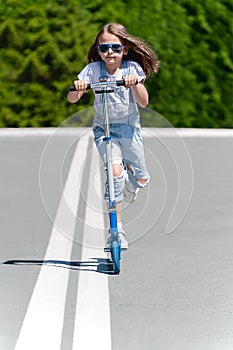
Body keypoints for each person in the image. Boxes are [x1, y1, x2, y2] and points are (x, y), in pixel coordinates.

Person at [68, 23, 160, 249]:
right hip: (105, 130)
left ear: (125, 50)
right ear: (98, 50)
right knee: (115, 174)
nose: (110, 52)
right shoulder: (92, 71)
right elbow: (72, 99)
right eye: (104, 47)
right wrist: (78, 88)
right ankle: (116, 231)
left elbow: (144, 102)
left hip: (129, 130)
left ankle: (133, 184)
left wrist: (135, 83)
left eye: (116, 48)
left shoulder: (131, 69)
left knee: (140, 177)